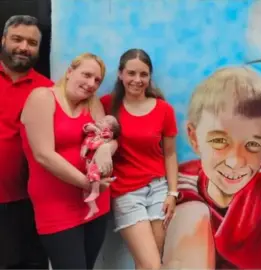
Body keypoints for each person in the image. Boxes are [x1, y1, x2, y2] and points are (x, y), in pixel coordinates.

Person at [162, 66, 261, 269]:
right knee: (192, 214)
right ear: (194, 137)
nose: (234, 161)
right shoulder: (184, 183)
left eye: (253, 145)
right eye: (219, 141)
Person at [20, 53, 116, 269]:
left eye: (97, 80)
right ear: (70, 71)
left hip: (95, 204)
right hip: (56, 205)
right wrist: (87, 184)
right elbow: (44, 154)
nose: (91, 84)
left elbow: (110, 139)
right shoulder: (42, 97)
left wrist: (105, 149)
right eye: (87, 75)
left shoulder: (93, 104)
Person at [100, 48, 178, 270]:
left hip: (159, 191)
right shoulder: (107, 105)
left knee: (148, 263)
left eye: (143, 74)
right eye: (131, 73)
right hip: (125, 192)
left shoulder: (164, 110)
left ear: (149, 77)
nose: (137, 80)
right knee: (152, 265)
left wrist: (172, 193)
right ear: (120, 74)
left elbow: (170, 154)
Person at [0, 15, 53, 269]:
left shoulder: (48, 90)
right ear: (3, 40)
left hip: (28, 203)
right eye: (17, 39)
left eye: (32, 42)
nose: (24, 47)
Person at [81, 115, 120, 219]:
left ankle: (95, 191)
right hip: (88, 162)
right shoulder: (94, 130)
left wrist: (88, 145)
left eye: (106, 121)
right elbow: (85, 127)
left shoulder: (106, 135)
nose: (102, 120)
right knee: (85, 191)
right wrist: (94, 128)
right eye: (102, 119)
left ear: (110, 128)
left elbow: (95, 145)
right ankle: (93, 208)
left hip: (95, 162)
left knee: (94, 175)